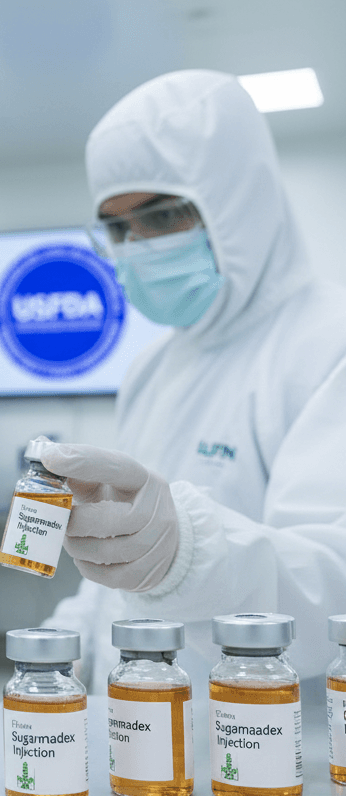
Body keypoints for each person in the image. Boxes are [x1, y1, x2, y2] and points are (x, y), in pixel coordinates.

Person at [41, 69, 346, 688]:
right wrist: (69, 640)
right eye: (118, 229)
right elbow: (117, 569)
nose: (136, 247)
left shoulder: (327, 345)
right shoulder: (152, 369)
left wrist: (186, 556)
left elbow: (332, 589)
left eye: (158, 217)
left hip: (276, 753)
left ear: (236, 201)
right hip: (135, 734)